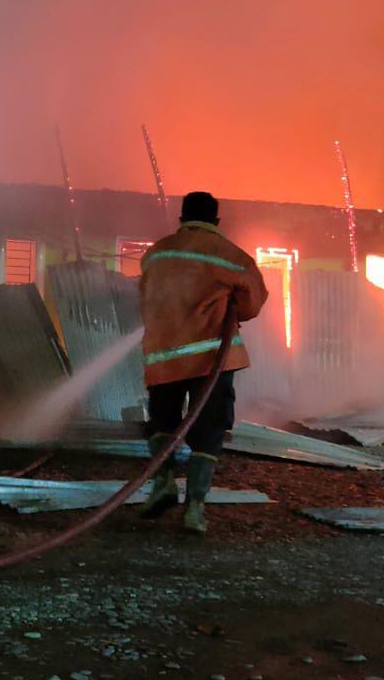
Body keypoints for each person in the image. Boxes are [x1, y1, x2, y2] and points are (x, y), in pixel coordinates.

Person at [137, 190, 267, 534]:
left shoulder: (155, 254)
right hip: (211, 360)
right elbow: (253, 302)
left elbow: (146, 296)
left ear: (182, 219)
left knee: (162, 422)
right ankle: (195, 506)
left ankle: (162, 484)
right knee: (209, 427)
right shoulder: (230, 256)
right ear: (216, 221)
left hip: (162, 357)